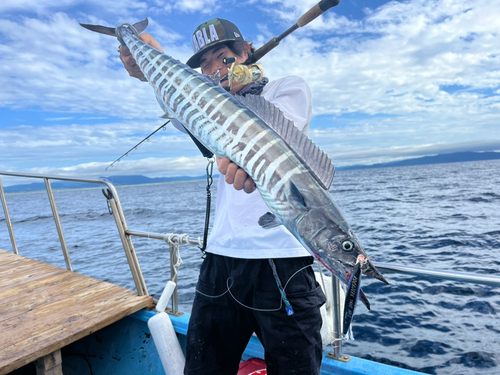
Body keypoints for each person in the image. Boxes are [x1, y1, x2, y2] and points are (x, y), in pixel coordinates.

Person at [120, 18, 326, 375]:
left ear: (246, 52)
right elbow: (180, 103)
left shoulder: (285, 88)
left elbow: (271, 138)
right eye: (205, 64)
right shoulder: (202, 106)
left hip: (282, 263)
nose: (215, 69)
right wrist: (149, 67)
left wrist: (240, 89)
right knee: (204, 368)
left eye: (224, 57)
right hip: (220, 261)